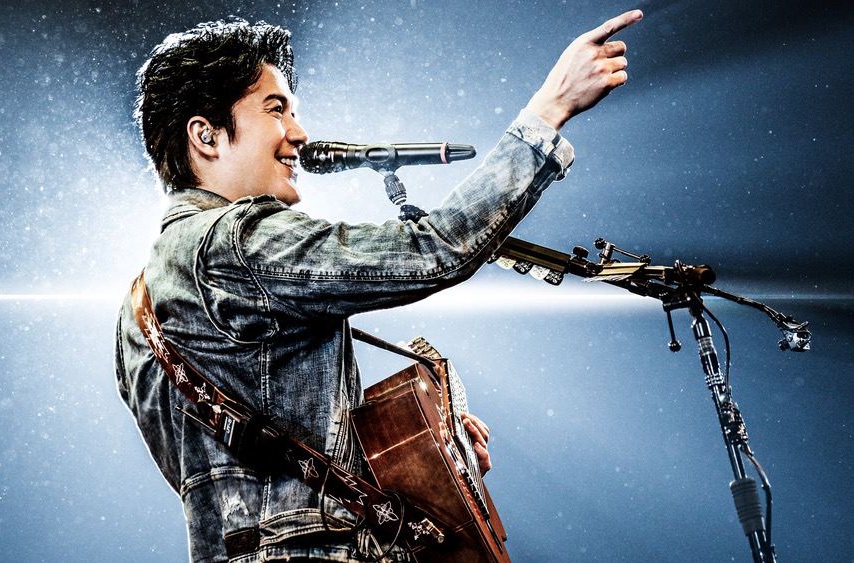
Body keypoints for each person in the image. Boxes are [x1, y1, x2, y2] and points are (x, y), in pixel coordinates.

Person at [115, 9, 643, 563]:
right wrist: (549, 111)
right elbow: (434, 249)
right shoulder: (237, 241)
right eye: (276, 109)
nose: (299, 133)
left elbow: (253, 478)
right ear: (206, 136)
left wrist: (424, 457)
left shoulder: (136, 311)